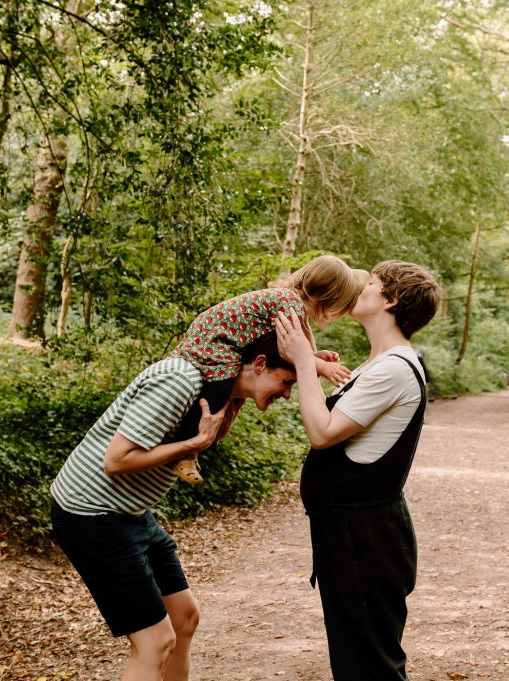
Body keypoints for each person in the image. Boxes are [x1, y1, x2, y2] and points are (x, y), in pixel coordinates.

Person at [50, 331, 297, 681]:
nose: (287, 394)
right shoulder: (180, 382)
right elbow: (116, 461)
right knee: (156, 641)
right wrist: (195, 443)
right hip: (92, 512)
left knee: (183, 619)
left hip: (130, 512)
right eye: (286, 382)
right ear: (259, 364)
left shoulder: (221, 395)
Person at [275, 259, 441, 681]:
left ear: (391, 300)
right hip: (352, 534)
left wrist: (301, 359)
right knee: (354, 663)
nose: (358, 286)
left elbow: (322, 432)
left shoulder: (391, 369)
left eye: (370, 282)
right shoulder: (376, 364)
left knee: (370, 667)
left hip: (365, 539)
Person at [167, 254, 368, 485]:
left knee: (223, 392)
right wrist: (321, 367)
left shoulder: (289, 301)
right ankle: (184, 450)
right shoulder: (291, 304)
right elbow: (286, 351)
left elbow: (299, 343)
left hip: (214, 335)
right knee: (219, 390)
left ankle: (188, 445)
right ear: (327, 299)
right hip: (216, 341)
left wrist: (314, 357)